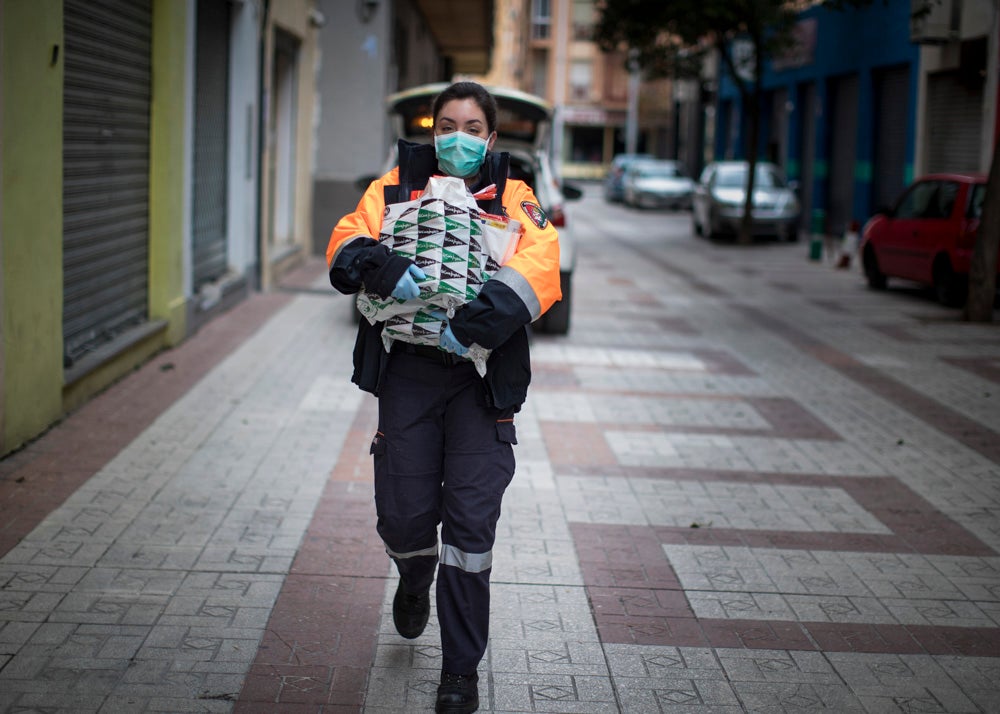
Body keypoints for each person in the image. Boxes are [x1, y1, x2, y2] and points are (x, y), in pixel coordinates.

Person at [326, 81, 561, 714]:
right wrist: (382, 266)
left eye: (472, 127)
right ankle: (412, 571)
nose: (459, 137)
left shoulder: (514, 197)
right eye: (447, 125)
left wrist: (473, 326)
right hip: (409, 374)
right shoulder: (394, 187)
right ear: (435, 132)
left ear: (490, 137)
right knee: (402, 511)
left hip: (482, 382)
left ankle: (460, 670)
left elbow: (541, 266)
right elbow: (345, 244)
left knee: (471, 524)